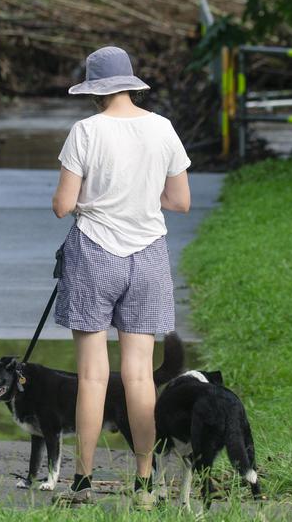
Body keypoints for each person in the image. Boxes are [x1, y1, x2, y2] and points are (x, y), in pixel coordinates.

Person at [50, 46, 192, 508]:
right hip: (148, 255)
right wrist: (142, 198)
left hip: (94, 253)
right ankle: (146, 484)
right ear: (131, 85)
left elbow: (62, 205)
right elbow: (180, 200)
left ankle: (82, 481)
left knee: (92, 377)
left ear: (94, 91)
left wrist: (96, 199)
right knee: (140, 377)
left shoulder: (85, 131)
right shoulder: (162, 128)